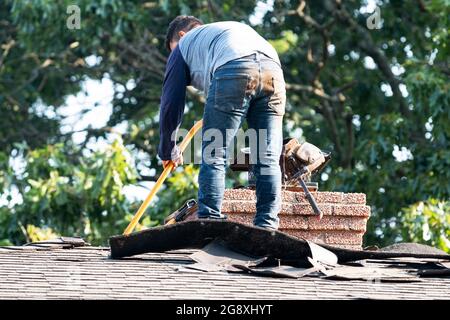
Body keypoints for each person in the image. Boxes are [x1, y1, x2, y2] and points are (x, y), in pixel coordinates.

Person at [158, 16, 286, 229]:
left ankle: (209, 220)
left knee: (215, 151)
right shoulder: (223, 33)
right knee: (267, 157)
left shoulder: (182, 45)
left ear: (181, 35)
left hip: (234, 69)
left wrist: (167, 149)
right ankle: (267, 225)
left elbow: (170, 103)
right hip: (274, 73)